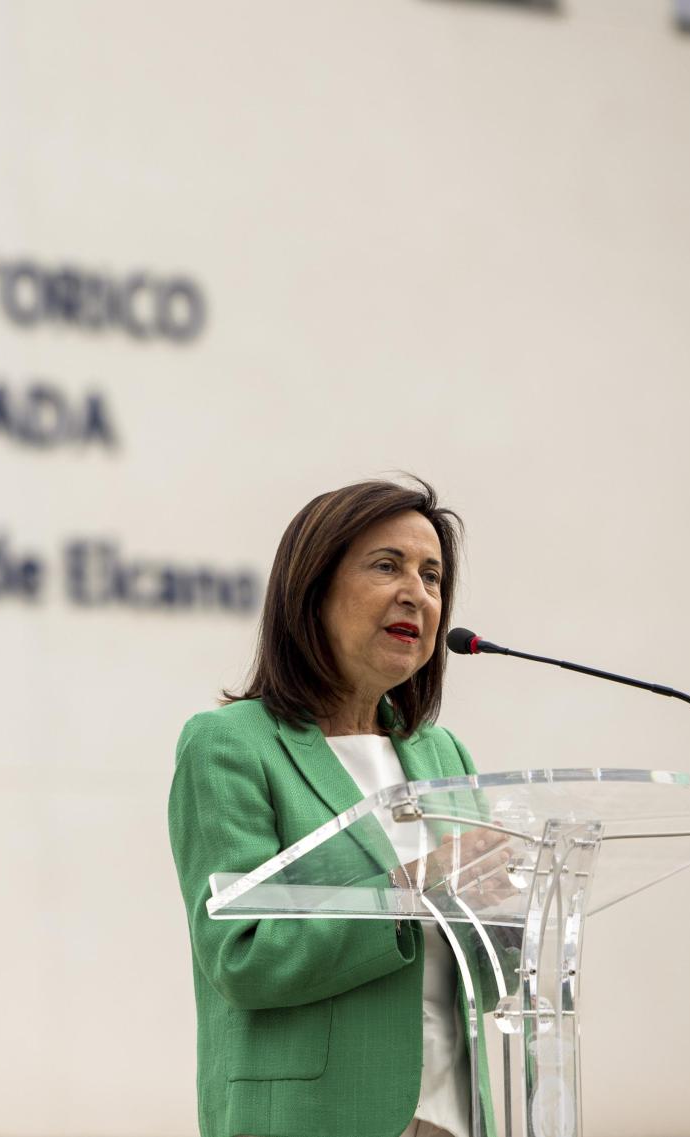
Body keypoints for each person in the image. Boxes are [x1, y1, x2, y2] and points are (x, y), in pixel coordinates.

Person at [167, 477, 492, 1137]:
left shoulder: (443, 754)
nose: (417, 593)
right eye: (387, 565)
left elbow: (485, 953)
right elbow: (241, 953)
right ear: (311, 590)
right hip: (315, 1118)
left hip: (456, 1116)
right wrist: (410, 887)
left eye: (432, 576)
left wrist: (528, 901)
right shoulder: (230, 746)